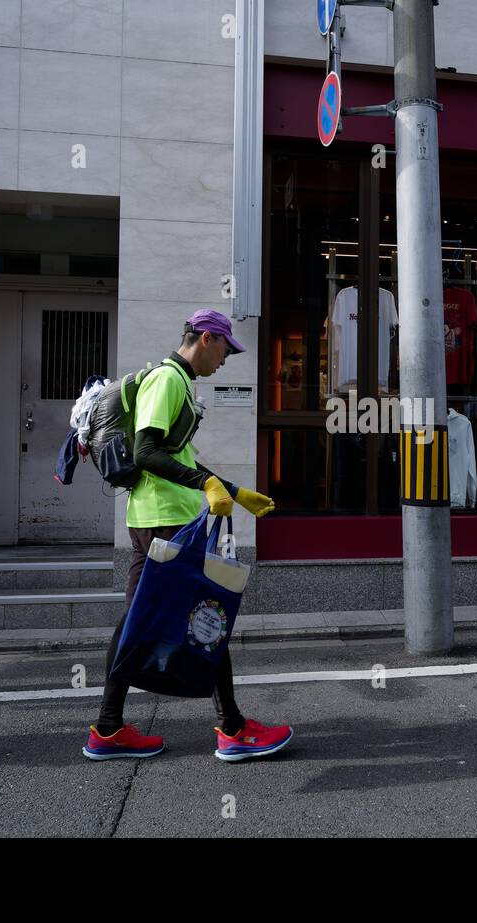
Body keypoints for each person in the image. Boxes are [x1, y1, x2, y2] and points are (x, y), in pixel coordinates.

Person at [84, 309, 291, 763]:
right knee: (209, 614)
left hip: (153, 516)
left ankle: (108, 728)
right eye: (225, 349)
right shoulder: (169, 380)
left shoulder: (176, 381)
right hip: (167, 520)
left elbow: (177, 456)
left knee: (141, 620)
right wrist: (207, 487)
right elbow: (147, 451)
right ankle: (233, 728)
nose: (226, 359)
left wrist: (235, 491)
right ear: (204, 337)